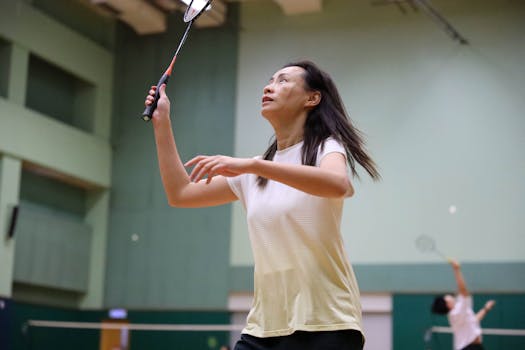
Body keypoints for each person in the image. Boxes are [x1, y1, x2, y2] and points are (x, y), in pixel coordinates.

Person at [145, 60, 380, 350]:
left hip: (326, 324)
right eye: (270, 80)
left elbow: (337, 184)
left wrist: (255, 165)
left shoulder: (326, 147)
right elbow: (181, 193)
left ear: (312, 98)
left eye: (283, 81)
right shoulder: (252, 175)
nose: (269, 86)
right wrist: (162, 123)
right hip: (263, 328)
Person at [431, 259, 496, 350]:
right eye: (447, 297)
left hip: (476, 347)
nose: (450, 296)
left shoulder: (459, 311)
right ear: (447, 304)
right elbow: (464, 291)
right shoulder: (456, 313)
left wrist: (486, 308)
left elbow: (474, 320)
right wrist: (456, 270)